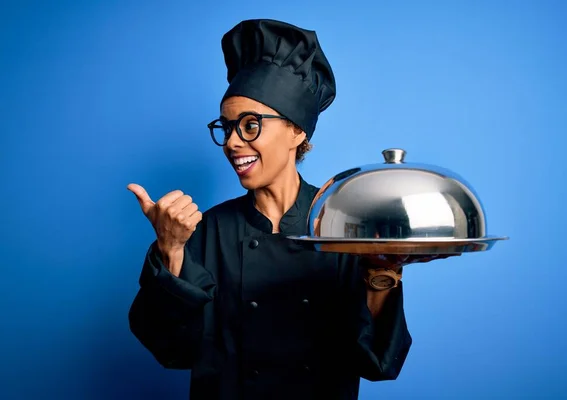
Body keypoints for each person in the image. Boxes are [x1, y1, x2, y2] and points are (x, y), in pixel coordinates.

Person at [127, 18, 446, 400]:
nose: (232, 143)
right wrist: (171, 249)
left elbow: (378, 362)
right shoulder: (207, 230)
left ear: (297, 131)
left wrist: (384, 270)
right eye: (226, 128)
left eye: (249, 125)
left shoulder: (344, 224)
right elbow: (172, 351)